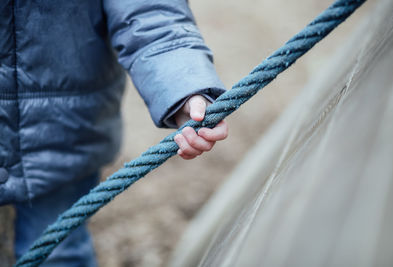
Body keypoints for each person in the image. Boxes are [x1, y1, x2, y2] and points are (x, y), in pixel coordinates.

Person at [0, 0, 228, 266]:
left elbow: (151, 13)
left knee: (58, 254)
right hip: (69, 131)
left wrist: (185, 87)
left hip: (62, 138)